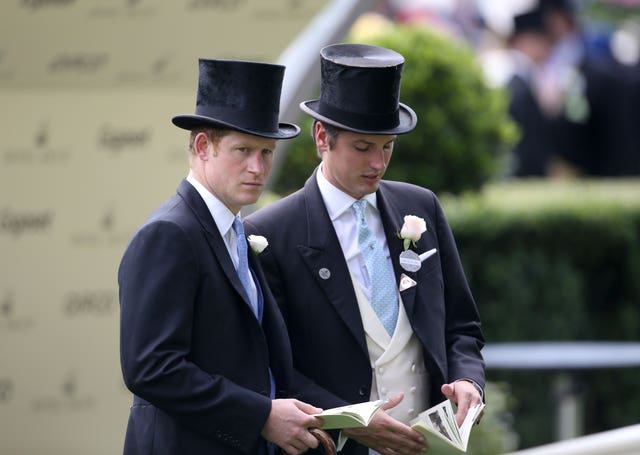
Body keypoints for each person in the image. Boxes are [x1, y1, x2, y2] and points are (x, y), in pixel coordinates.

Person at [245, 43, 485, 455]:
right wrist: (350, 419)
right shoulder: (270, 234)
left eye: (387, 146)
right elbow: (274, 368)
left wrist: (468, 381)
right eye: (362, 147)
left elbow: (461, 327)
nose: (378, 162)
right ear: (322, 137)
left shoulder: (421, 206)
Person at [118, 58, 325, 455]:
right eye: (243, 149)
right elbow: (151, 368)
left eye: (266, 152)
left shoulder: (236, 230)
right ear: (201, 146)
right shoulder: (169, 234)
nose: (258, 167)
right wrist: (261, 416)